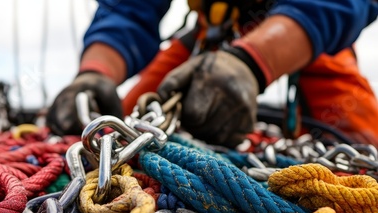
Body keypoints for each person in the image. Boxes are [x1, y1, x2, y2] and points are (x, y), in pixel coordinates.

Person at [47, 0, 378, 147]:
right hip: (212, 34)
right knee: (123, 126)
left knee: (365, 146)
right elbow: (129, 10)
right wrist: (94, 74)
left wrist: (253, 61)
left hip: (305, 30)